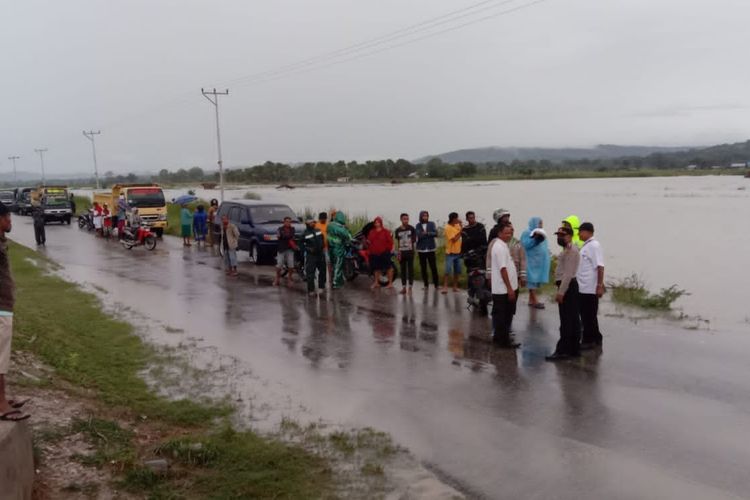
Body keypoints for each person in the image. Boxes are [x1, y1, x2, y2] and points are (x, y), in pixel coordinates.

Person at [0, 203, 30, 421]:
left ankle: (2, 398)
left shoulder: (2, 241)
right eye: (6, 217)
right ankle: (1, 404)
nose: (10, 220)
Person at [546, 226, 581, 361]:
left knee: (567, 320)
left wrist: (561, 292)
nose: (559, 238)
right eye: (558, 235)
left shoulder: (572, 251)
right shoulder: (566, 250)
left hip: (568, 287)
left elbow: (568, 274)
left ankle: (564, 350)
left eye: (563, 235)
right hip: (567, 286)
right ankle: (573, 349)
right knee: (572, 319)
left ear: (570, 236)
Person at [489, 222, 520, 349]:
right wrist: (510, 289)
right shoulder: (499, 247)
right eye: (506, 233)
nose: (509, 235)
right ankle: (504, 341)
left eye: (510, 232)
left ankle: (498, 337)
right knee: (504, 315)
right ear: (499, 233)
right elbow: (503, 269)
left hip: (506, 288)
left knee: (503, 314)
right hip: (503, 289)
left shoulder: (503, 245)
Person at [577, 222, 605, 349]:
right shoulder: (586, 246)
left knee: (588, 315)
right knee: (587, 314)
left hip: (590, 287)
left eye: (580, 232)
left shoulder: (594, 246)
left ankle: (589, 340)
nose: (578, 234)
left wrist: (599, 285)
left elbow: (600, 267)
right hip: (583, 286)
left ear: (588, 232)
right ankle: (596, 337)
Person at [488, 209, 527, 287]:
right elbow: (489, 255)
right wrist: (489, 275)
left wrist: (523, 276)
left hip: (513, 270)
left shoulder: (517, 243)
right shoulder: (494, 233)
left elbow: (522, 259)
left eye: (507, 217)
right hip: (499, 268)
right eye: (504, 217)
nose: (509, 233)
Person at [520, 217, 551, 309]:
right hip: (530, 260)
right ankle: (535, 301)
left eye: (541, 223)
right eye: (539, 223)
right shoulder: (527, 233)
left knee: (535, 280)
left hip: (539, 261)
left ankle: (531, 300)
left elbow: (544, 247)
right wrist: (535, 239)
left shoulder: (542, 233)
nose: (541, 225)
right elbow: (525, 244)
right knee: (531, 280)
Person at [365, 216, 394, 289]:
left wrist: (390, 249)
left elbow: (390, 241)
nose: (377, 224)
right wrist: (367, 243)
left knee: (388, 267)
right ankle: (376, 283)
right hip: (374, 253)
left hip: (384, 252)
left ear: (381, 223)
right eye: (375, 222)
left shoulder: (386, 231)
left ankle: (390, 283)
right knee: (376, 268)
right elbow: (369, 241)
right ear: (374, 224)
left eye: (378, 222)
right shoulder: (372, 232)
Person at [327, 211, 351, 289]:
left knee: (333, 265)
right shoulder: (340, 228)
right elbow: (347, 236)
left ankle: (337, 281)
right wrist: (347, 230)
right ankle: (336, 282)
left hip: (331, 248)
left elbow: (328, 236)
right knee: (338, 265)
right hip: (338, 249)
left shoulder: (330, 225)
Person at [302, 217, 326, 295]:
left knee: (322, 271)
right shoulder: (304, 233)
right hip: (311, 256)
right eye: (312, 222)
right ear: (308, 224)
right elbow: (301, 245)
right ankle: (311, 290)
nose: (314, 224)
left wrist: (322, 247)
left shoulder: (318, 231)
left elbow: (322, 239)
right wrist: (308, 249)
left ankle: (321, 287)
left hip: (320, 254)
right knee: (310, 273)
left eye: (314, 222)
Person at [415, 210, 439, 289]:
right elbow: (419, 235)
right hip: (421, 250)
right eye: (423, 216)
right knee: (423, 268)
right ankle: (426, 285)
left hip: (431, 249)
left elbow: (436, 233)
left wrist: (427, 233)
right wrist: (427, 234)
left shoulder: (432, 224)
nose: (425, 217)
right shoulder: (418, 225)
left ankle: (436, 285)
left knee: (433, 267)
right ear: (420, 216)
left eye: (426, 216)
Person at [394, 213, 416, 294]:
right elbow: (397, 241)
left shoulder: (412, 228)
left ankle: (410, 287)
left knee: (410, 270)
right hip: (401, 252)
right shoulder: (397, 230)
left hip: (410, 252)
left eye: (407, 219)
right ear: (401, 219)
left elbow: (414, 239)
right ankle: (403, 288)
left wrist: (408, 241)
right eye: (404, 219)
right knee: (403, 270)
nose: (406, 220)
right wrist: (398, 250)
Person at [441, 212, 463, 294]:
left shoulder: (457, 225)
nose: (458, 219)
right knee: (447, 270)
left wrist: (461, 226)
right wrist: (461, 231)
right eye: (457, 218)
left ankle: (455, 286)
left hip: (458, 252)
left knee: (457, 270)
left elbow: (461, 231)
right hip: (450, 253)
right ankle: (445, 287)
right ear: (453, 219)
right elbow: (454, 239)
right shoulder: (448, 228)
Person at [274, 216, 298, 286]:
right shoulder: (279, 229)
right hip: (281, 249)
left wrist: (284, 236)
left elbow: (290, 236)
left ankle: (289, 279)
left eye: (289, 222)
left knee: (291, 265)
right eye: (287, 221)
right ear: (284, 222)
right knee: (279, 264)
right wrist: (285, 236)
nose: (288, 223)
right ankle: (277, 278)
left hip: (290, 249)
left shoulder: (292, 229)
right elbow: (279, 236)